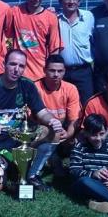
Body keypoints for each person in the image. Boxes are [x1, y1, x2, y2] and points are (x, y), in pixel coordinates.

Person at [0, 50, 63, 183]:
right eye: (12, 64)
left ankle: (30, 174)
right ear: (4, 64)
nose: (16, 69)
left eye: (21, 66)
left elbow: (41, 112)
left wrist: (52, 120)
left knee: (49, 131)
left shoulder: (27, 85)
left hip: (17, 139)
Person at [32, 54, 81, 190]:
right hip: (39, 129)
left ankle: (79, 172)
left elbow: (74, 119)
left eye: (60, 71)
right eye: (52, 70)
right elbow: (31, 118)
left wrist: (69, 133)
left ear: (65, 71)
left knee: (81, 136)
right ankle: (34, 172)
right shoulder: (35, 87)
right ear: (44, 70)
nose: (56, 75)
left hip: (62, 130)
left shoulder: (70, 89)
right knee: (47, 132)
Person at [9, 0, 62, 81]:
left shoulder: (51, 17)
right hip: (18, 73)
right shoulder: (15, 12)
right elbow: (7, 36)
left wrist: (51, 72)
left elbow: (54, 49)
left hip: (40, 74)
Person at [57, 0, 95, 103]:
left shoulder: (89, 17)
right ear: (60, 1)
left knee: (86, 104)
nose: (71, 2)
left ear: (79, 1)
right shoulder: (55, 19)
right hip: (63, 72)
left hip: (83, 72)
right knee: (63, 104)